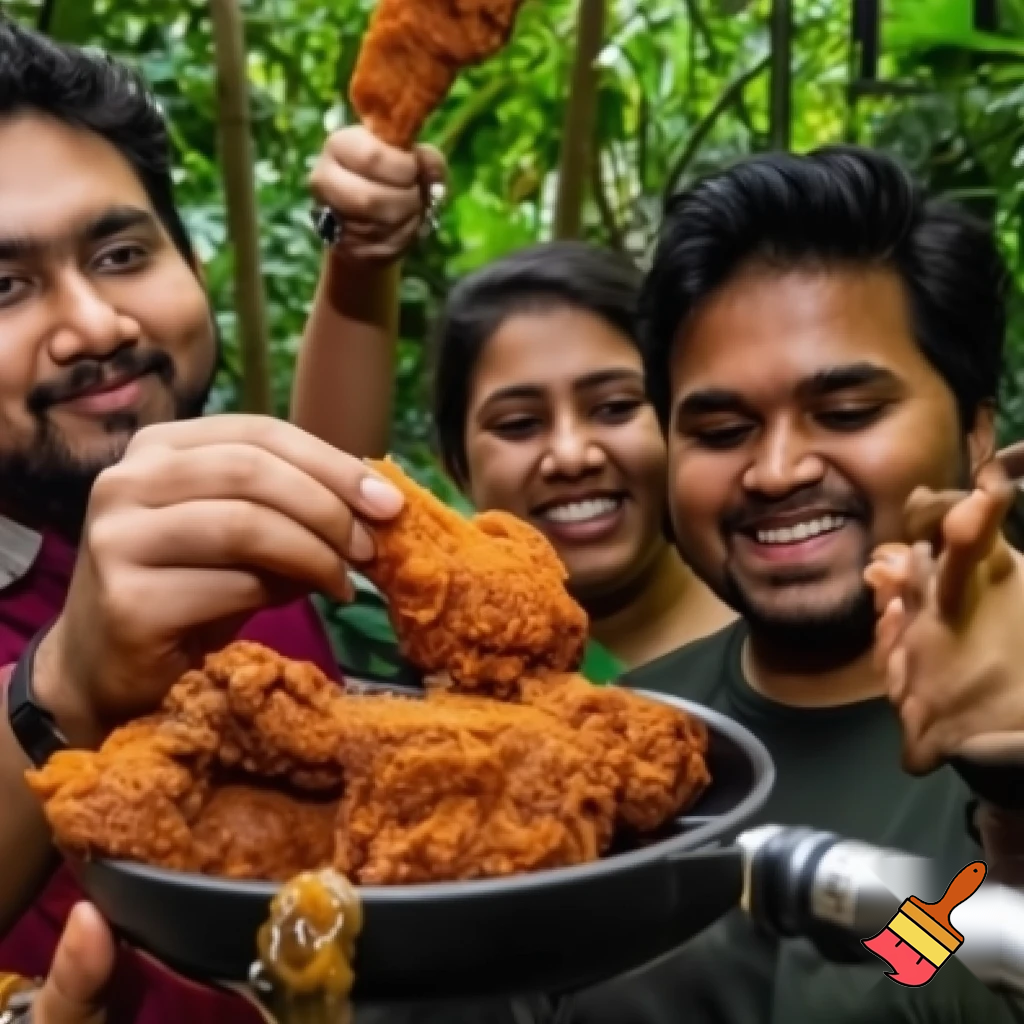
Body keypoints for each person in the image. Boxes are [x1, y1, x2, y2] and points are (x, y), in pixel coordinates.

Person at [0, 19, 435, 1024]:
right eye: (5, 286)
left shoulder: (233, 532)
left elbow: (344, 474)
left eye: (119, 252)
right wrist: (63, 683)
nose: (98, 324)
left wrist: (362, 256)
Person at [557, 145, 1024, 1023]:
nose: (775, 471)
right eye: (724, 428)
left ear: (973, 434)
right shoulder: (623, 740)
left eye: (846, 414)